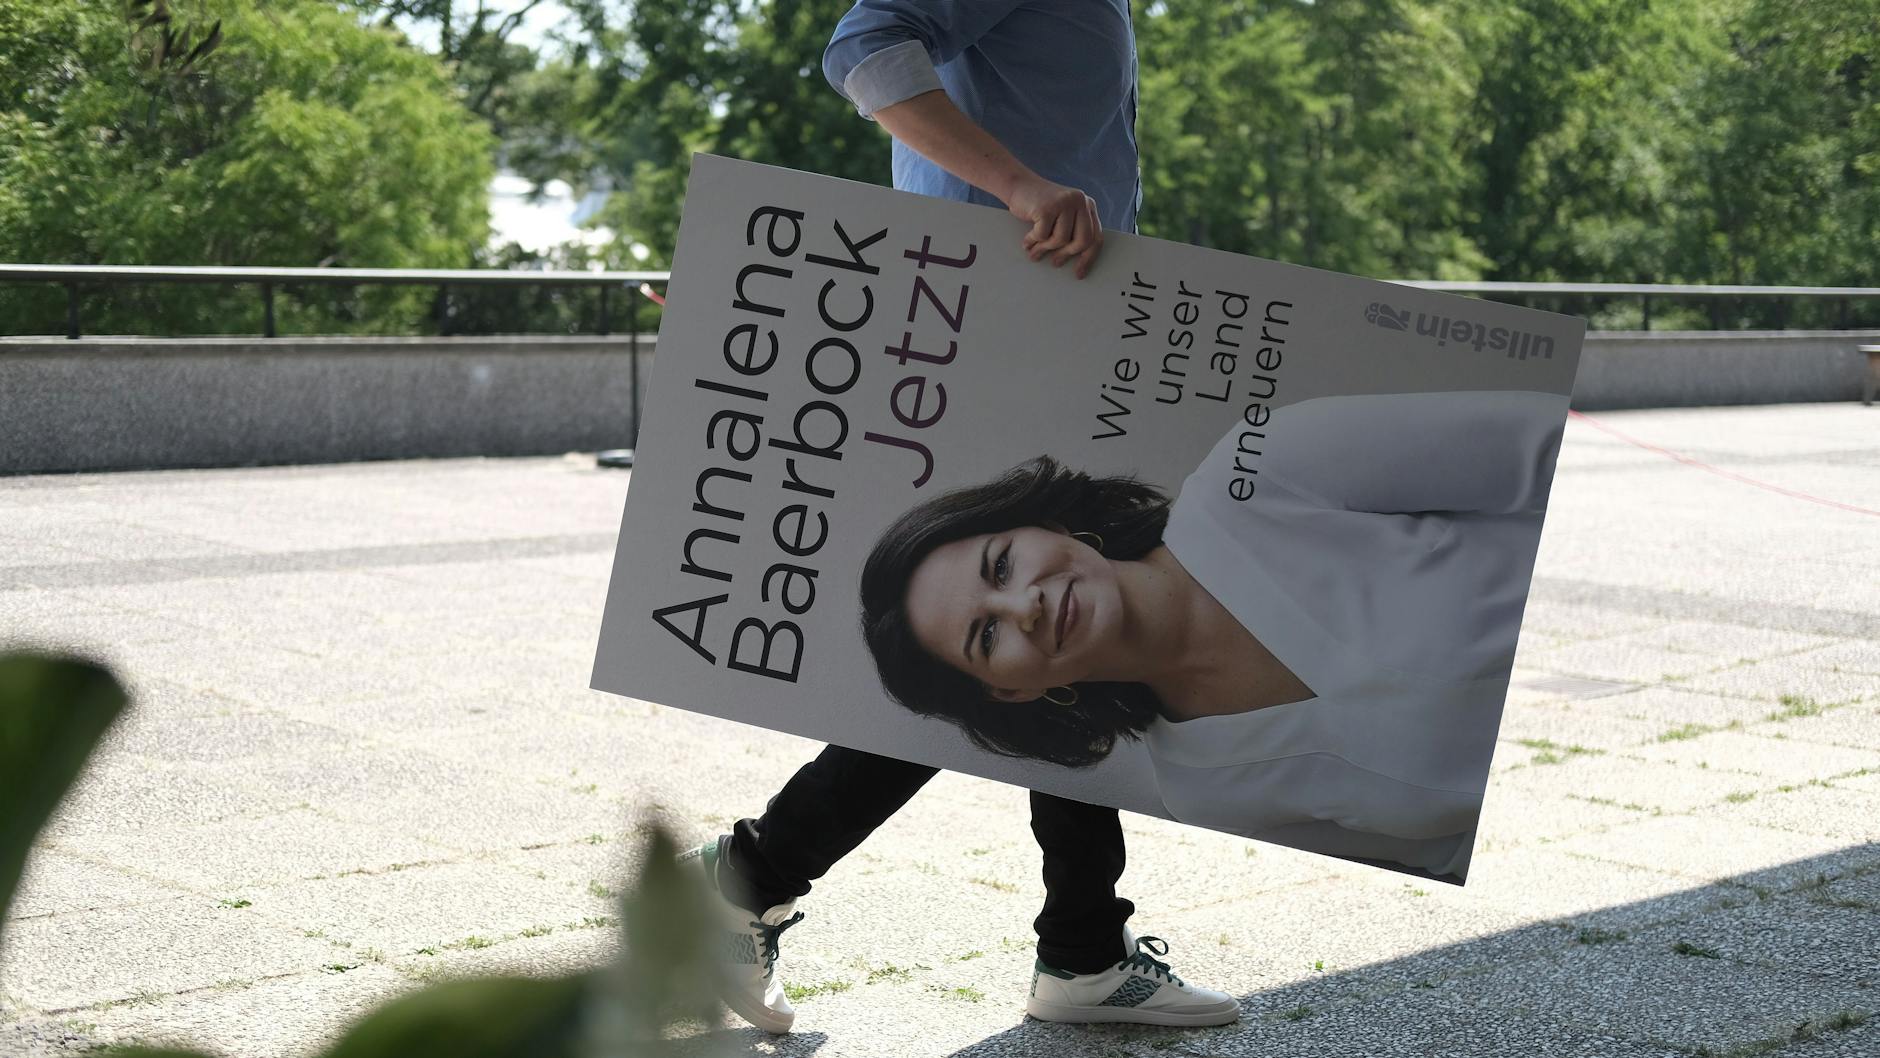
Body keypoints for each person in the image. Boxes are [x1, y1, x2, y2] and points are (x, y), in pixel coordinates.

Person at [679, 0, 1239, 1036]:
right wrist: (1019, 187)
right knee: (1019, 642)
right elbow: (862, 46)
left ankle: (1075, 944)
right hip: (991, 325)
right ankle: (758, 877)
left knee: (1045, 650)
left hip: (1042, 319)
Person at [861, 389, 1570, 881]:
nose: (1025, 607)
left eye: (1003, 564)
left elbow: (1550, 448)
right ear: (1011, 691)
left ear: (1044, 525)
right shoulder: (1204, 790)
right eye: (986, 637)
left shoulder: (1262, 465)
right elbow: (1449, 857)